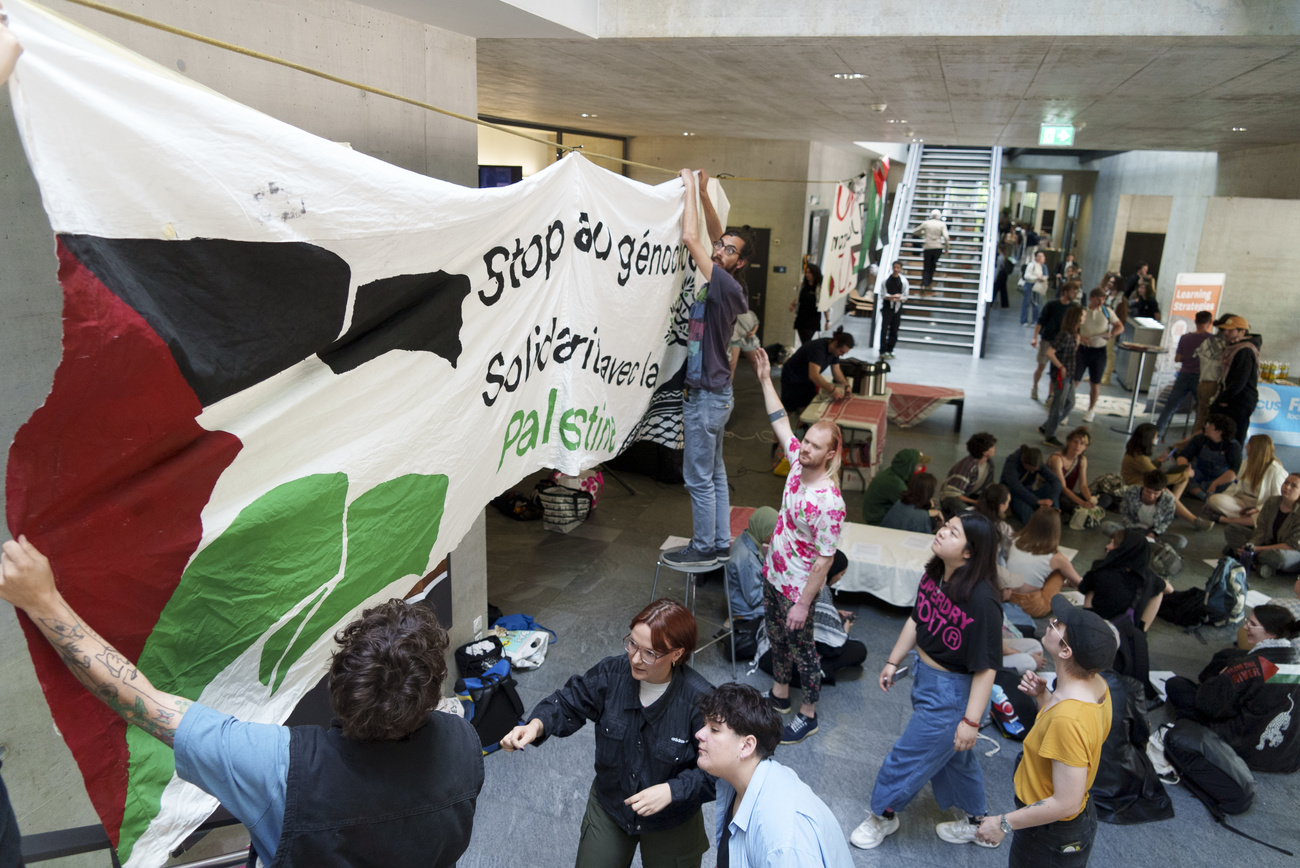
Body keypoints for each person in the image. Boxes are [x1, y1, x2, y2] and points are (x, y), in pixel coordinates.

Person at [0, 536, 484, 867]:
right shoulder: (463, 743)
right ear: (431, 690)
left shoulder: (278, 767)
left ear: (339, 684)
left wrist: (43, 602)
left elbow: (139, 700)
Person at [499, 599, 715, 867]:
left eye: (650, 653)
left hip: (672, 818)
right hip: (612, 803)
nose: (635, 658)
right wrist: (534, 725)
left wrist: (673, 790)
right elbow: (569, 701)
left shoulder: (701, 700)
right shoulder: (611, 673)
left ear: (677, 654)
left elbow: (718, 772)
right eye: (632, 644)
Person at [850, 513, 1003, 850]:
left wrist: (970, 721)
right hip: (926, 676)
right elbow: (918, 618)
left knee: (906, 758)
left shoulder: (983, 600)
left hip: (952, 694)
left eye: (953, 532)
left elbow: (987, 668)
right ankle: (978, 822)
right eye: (945, 526)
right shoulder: (935, 574)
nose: (942, 532)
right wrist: (894, 659)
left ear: (969, 552)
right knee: (953, 758)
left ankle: (882, 816)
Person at [974, 598, 1118, 866]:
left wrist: (1003, 823)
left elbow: (1066, 803)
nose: (1052, 623)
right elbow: (1072, 735)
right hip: (1060, 826)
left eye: (1058, 624)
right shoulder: (1097, 684)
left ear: (1066, 652)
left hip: (1050, 834)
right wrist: (1043, 697)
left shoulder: (1068, 718)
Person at [752, 348, 846, 744]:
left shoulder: (829, 502)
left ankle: (808, 713)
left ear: (830, 454)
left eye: (813, 446)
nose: (804, 447)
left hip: (798, 589)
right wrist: (763, 380)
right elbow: (779, 421)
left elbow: (825, 560)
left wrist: (804, 602)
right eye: (805, 441)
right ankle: (779, 694)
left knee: (804, 649)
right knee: (776, 639)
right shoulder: (795, 464)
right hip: (774, 576)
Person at [663, 169, 750, 568]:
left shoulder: (725, 286)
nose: (720, 251)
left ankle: (702, 545)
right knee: (714, 474)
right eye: (722, 247)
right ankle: (718, 541)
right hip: (716, 396)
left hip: (705, 398)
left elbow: (691, 238)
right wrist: (701, 192)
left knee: (698, 478)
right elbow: (714, 237)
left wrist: (686, 186)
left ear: (740, 263)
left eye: (730, 251)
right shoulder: (724, 279)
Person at [695, 683, 854, 867]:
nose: (699, 734)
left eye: (714, 729)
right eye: (704, 725)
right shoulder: (737, 781)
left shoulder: (783, 843)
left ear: (746, 746)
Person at [1164, 605, 1300, 773]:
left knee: (1176, 685)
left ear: (1271, 634)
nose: (1245, 627)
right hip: (1286, 758)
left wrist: (1224, 676)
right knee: (1227, 656)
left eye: (1252, 624)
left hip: (1243, 749)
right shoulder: (1294, 663)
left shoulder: (1252, 667)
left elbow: (1208, 705)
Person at [1121, 423, 1209, 531]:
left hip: (1143, 481)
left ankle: (1172, 507)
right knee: (1178, 481)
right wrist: (1186, 474)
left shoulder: (1136, 452)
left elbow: (1147, 470)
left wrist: (1158, 461)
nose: (1156, 439)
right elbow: (1160, 479)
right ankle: (1193, 519)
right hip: (1139, 485)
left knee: (1182, 477)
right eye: (1155, 437)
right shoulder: (1139, 457)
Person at [1079, 528, 1171, 631]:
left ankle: (1084, 625)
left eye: (1113, 544)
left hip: (1097, 630)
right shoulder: (1148, 577)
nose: (1107, 546)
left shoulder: (1100, 568)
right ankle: (1142, 631)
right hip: (1126, 635)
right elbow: (1170, 589)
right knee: (1158, 591)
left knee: (1092, 589)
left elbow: (1083, 587)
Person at [1004, 507, 1085, 618]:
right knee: (1059, 572)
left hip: (1008, 595)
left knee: (1044, 569)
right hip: (1031, 606)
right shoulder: (1056, 558)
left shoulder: (1016, 540)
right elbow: (1081, 584)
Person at [1211, 434, 1287, 542]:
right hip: (1242, 501)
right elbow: (1235, 484)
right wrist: (1224, 496)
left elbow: (1278, 499)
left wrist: (1258, 508)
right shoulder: (1245, 463)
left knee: (1264, 516)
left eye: (1249, 445)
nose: (1246, 447)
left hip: (1261, 505)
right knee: (1214, 500)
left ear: (1255, 448)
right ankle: (1245, 520)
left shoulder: (1276, 471)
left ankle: (1229, 520)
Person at [1154, 310, 1214, 442]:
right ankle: (1197, 438)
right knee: (1201, 411)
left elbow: (1177, 358)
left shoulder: (1185, 338)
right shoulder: (1211, 340)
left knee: (1170, 406)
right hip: (1200, 378)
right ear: (1210, 323)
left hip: (1184, 375)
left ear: (1195, 321)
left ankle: (1156, 434)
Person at [778, 327, 855, 421]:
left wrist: (846, 386)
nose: (842, 355)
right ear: (836, 344)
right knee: (787, 411)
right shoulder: (818, 350)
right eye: (842, 351)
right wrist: (832, 389)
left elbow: (837, 371)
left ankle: (801, 433)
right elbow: (814, 375)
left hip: (806, 379)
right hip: (792, 377)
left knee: (807, 410)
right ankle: (779, 433)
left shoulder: (834, 351)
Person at [1101, 470, 1187, 550]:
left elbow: (1166, 521)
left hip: (1153, 533)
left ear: (1163, 489)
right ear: (1143, 485)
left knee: (1181, 541)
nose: (1151, 496)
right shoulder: (1131, 491)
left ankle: (1131, 544)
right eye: (1148, 492)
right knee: (1106, 526)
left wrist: (1154, 533)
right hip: (1132, 529)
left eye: (1156, 494)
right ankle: (1146, 546)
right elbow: (1125, 513)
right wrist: (1131, 529)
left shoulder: (1169, 499)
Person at [1210, 314, 1260, 446]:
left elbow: (1239, 381)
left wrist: (1223, 399)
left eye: (1231, 330)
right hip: (1232, 398)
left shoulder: (1245, 351)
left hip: (1240, 401)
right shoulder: (1234, 347)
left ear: (1242, 332)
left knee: (1234, 438)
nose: (1226, 333)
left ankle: (1232, 465)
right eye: (1225, 330)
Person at [1238, 472, 1300, 579]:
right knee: (1232, 530)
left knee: (1278, 556)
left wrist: (1257, 549)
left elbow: (1292, 545)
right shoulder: (1272, 501)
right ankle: (1261, 563)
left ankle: (1251, 558)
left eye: (1293, 486)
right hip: (1267, 544)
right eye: (1286, 483)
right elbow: (1260, 530)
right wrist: (1251, 546)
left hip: (1290, 552)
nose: (1287, 487)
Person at [1166, 413, 1241, 500]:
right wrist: (1186, 468)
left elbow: (1232, 472)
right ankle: (1202, 494)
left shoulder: (1233, 446)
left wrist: (1215, 484)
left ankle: (1193, 490)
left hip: (1218, 478)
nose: (1205, 426)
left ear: (1219, 431)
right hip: (1199, 473)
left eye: (1209, 425)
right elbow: (1184, 456)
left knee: (1230, 484)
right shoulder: (1200, 439)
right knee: (1174, 469)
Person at [1074, 289, 1123, 422]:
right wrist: (1080, 337)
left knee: (1095, 382)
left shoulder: (1107, 311)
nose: (1100, 302)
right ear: (1091, 298)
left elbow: (1119, 326)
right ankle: (1067, 406)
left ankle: (1090, 409)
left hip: (1099, 350)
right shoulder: (1082, 311)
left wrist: (1111, 334)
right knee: (1075, 380)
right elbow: (1073, 327)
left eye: (1102, 299)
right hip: (1082, 350)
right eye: (1097, 299)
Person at [725, 507, 778, 626]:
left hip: (748, 595)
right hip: (746, 609)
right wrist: (775, 585)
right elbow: (753, 598)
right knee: (789, 609)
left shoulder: (747, 538)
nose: (775, 537)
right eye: (772, 532)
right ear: (763, 529)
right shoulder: (748, 560)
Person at [1030, 279, 1082, 402]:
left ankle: (1051, 395)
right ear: (1065, 292)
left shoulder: (1073, 307)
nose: (1074, 294)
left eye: (1076, 292)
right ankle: (1035, 386)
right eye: (1072, 292)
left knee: (1055, 369)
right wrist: (1035, 337)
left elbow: (1076, 324)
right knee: (1041, 366)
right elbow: (1041, 321)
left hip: (1061, 341)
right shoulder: (1052, 305)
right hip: (1048, 338)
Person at [1042, 305, 1085, 447]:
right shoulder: (1065, 335)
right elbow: (1050, 352)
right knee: (1058, 405)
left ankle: (1047, 426)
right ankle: (1050, 435)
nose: (1085, 318)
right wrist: (1060, 366)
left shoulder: (1073, 335)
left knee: (1070, 402)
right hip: (1062, 375)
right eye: (1083, 315)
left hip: (1070, 374)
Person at [863, 447, 929, 526]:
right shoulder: (895, 483)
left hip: (875, 513)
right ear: (908, 467)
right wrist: (929, 511)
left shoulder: (895, 472)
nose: (922, 468)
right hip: (877, 519)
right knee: (922, 519)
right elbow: (910, 507)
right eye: (920, 465)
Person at [940, 432, 998, 519]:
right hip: (952, 497)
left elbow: (988, 485)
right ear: (984, 451)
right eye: (992, 446)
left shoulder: (989, 464)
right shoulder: (966, 467)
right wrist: (975, 502)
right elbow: (953, 494)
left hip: (969, 494)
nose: (994, 448)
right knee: (965, 512)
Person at [1190, 314, 1230, 436]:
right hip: (1212, 385)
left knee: (1200, 419)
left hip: (1203, 383)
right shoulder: (1222, 345)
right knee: (1208, 422)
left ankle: (1193, 447)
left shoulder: (1208, 341)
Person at [1000, 444, 1060, 525]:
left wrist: (1051, 500)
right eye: (1030, 469)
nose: (1032, 472)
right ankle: (1033, 526)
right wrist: (1036, 501)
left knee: (1051, 488)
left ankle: (1054, 517)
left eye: (1035, 470)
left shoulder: (1037, 462)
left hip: (1028, 491)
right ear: (1024, 462)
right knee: (1026, 510)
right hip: (1012, 493)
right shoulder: (1012, 462)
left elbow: (1055, 480)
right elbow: (1015, 486)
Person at [1046, 427, 1097, 518]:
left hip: (1068, 494)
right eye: (1075, 442)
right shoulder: (1057, 459)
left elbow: (1083, 485)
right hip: (1054, 493)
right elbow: (1063, 487)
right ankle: (1076, 512)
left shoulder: (1082, 460)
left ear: (1085, 447)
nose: (1078, 446)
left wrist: (1090, 500)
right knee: (1065, 503)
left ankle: (1079, 512)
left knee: (1105, 499)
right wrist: (1082, 503)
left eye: (1082, 444)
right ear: (1068, 442)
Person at [878, 259, 909, 359]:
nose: (896, 269)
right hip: (887, 307)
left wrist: (898, 298)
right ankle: (882, 350)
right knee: (884, 329)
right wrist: (890, 297)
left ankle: (890, 349)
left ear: (900, 269)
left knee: (894, 329)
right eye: (894, 267)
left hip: (898, 307)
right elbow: (882, 294)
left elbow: (905, 295)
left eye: (898, 268)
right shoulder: (886, 280)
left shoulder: (903, 281)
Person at [913, 209, 949, 291]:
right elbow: (946, 237)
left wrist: (923, 233)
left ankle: (924, 284)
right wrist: (947, 248)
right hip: (938, 247)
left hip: (928, 247)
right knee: (933, 265)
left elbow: (915, 231)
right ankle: (929, 283)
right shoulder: (942, 224)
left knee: (926, 266)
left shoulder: (926, 223)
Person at [790, 261, 823, 345]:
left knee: (807, 340)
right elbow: (798, 298)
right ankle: (805, 356)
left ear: (814, 273)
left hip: (813, 317)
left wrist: (827, 320)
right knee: (804, 341)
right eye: (806, 272)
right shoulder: (803, 286)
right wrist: (793, 304)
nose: (807, 274)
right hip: (802, 316)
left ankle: (805, 356)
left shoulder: (819, 287)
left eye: (809, 272)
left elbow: (823, 303)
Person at [1019, 250, 1049, 329]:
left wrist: (1042, 278)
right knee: (1026, 303)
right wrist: (1036, 278)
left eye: (1042, 256)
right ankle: (1023, 320)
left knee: (1037, 304)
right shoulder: (1031, 265)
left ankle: (1035, 320)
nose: (1040, 258)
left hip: (1038, 286)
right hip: (1030, 285)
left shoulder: (1043, 266)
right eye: (1039, 256)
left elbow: (1046, 275)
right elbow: (1026, 276)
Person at [728, 309, 761, 380]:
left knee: (755, 361)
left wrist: (753, 332)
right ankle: (728, 389)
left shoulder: (750, 313)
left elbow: (756, 323)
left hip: (748, 339)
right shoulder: (728, 311)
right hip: (734, 339)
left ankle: (765, 383)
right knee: (732, 364)